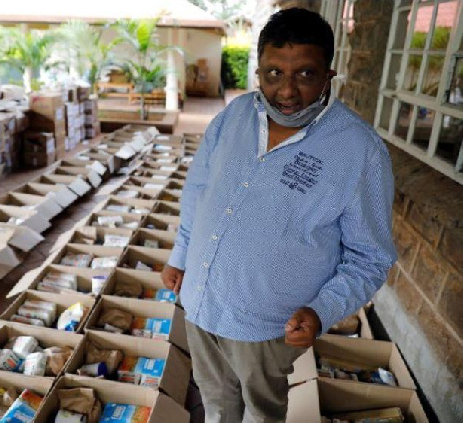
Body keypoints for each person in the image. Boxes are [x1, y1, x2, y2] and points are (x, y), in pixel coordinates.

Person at [161, 7, 397, 423]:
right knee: (217, 407)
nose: (286, 91)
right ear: (259, 72)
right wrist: (181, 255)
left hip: (266, 329)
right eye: (273, 74)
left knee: (261, 414)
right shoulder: (234, 116)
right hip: (199, 304)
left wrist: (323, 310)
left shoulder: (359, 150)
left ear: (328, 74)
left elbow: (370, 257)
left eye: (304, 74)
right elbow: (200, 189)